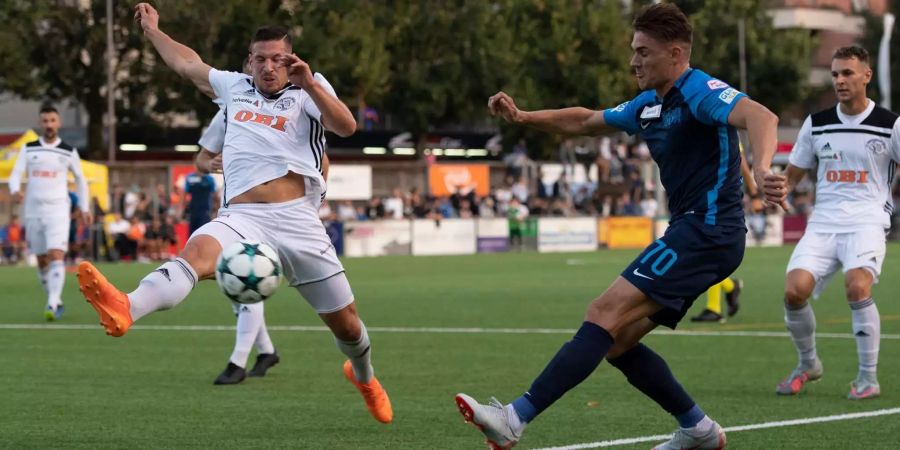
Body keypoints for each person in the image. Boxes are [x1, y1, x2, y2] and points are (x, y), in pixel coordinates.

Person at [454, 4, 786, 449]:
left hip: (708, 231)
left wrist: (764, 168)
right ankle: (699, 430)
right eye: (633, 50)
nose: (634, 61)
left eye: (643, 52)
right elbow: (587, 120)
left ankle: (514, 418)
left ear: (675, 54)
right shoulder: (649, 105)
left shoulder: (700, 90)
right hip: (695, 234)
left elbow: (761, 117)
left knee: (602, 313)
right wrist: (524, 117)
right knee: (617, 342)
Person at [77, 3, 391, 423]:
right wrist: (152, 30)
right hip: (242, 218)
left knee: (348, 328)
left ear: (291, 61)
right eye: (260, 58)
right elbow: (188, 64)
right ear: (249, 61)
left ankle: (365, 376)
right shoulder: (233, 87)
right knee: (193, 256)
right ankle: (126, 307)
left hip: (298, 221)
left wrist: (311, 83)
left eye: (278, 59)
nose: (268, 67)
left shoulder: (308, 91)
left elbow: (346, 127)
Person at [776, 46, 899, 400]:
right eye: (835, 74)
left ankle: (867, 378)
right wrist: (778, 185)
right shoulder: (816, 123)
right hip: (823, 222)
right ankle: (808, 363)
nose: (840, 80)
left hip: (867, 220)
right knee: (793, 291)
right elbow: (793, 174)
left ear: (866, 76)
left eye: (847, 73)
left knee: (857, 287)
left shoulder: (890, 125)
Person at [195, 101, 281, 385]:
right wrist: (211, 163)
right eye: (256, 62)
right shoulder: (230, 108)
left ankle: (238, 363)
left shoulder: (288, 107)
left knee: (247, 276)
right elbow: (201, 160)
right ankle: (266, 351)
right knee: (236, 282)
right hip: (233, 213)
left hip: (271, 213)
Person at [9, 105, 92, 321]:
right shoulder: (29, 149)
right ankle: (56, 300)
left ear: (59, 123)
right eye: (45, 121)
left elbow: (81, 180)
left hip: (58, 210)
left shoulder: (68, 151)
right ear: (40, 123)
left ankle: (52, 303)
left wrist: (84, 207)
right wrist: (15, 190)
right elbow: (15, 174)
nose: (49, 125)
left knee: (56, 254)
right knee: (42, 260)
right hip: (33, 211)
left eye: (52, 120)